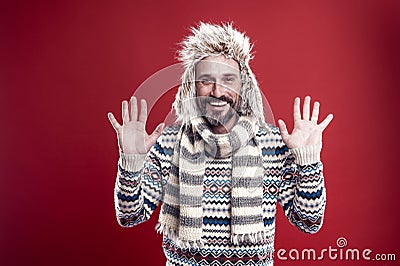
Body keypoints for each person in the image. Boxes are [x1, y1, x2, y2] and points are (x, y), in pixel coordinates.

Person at [108, 22, 333, 266]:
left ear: (243, 86)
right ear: (191, 87)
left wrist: (309, 161)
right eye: (206, 80)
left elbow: (309, 222)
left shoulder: (272, 145)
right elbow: (130, 217)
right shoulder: (168, 144)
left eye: (228, 79)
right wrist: (131, 161)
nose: (217, 91)